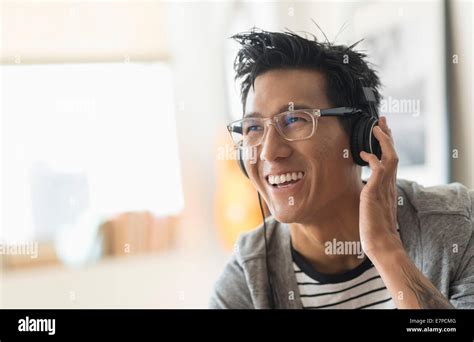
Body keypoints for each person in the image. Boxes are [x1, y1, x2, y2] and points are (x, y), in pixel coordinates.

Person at [210, 29, 474, 309]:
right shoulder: (245, 283)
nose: (269, 152)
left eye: (294, 120)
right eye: (253, 128)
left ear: (363, 136)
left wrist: (386, 249)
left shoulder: (457, 224)